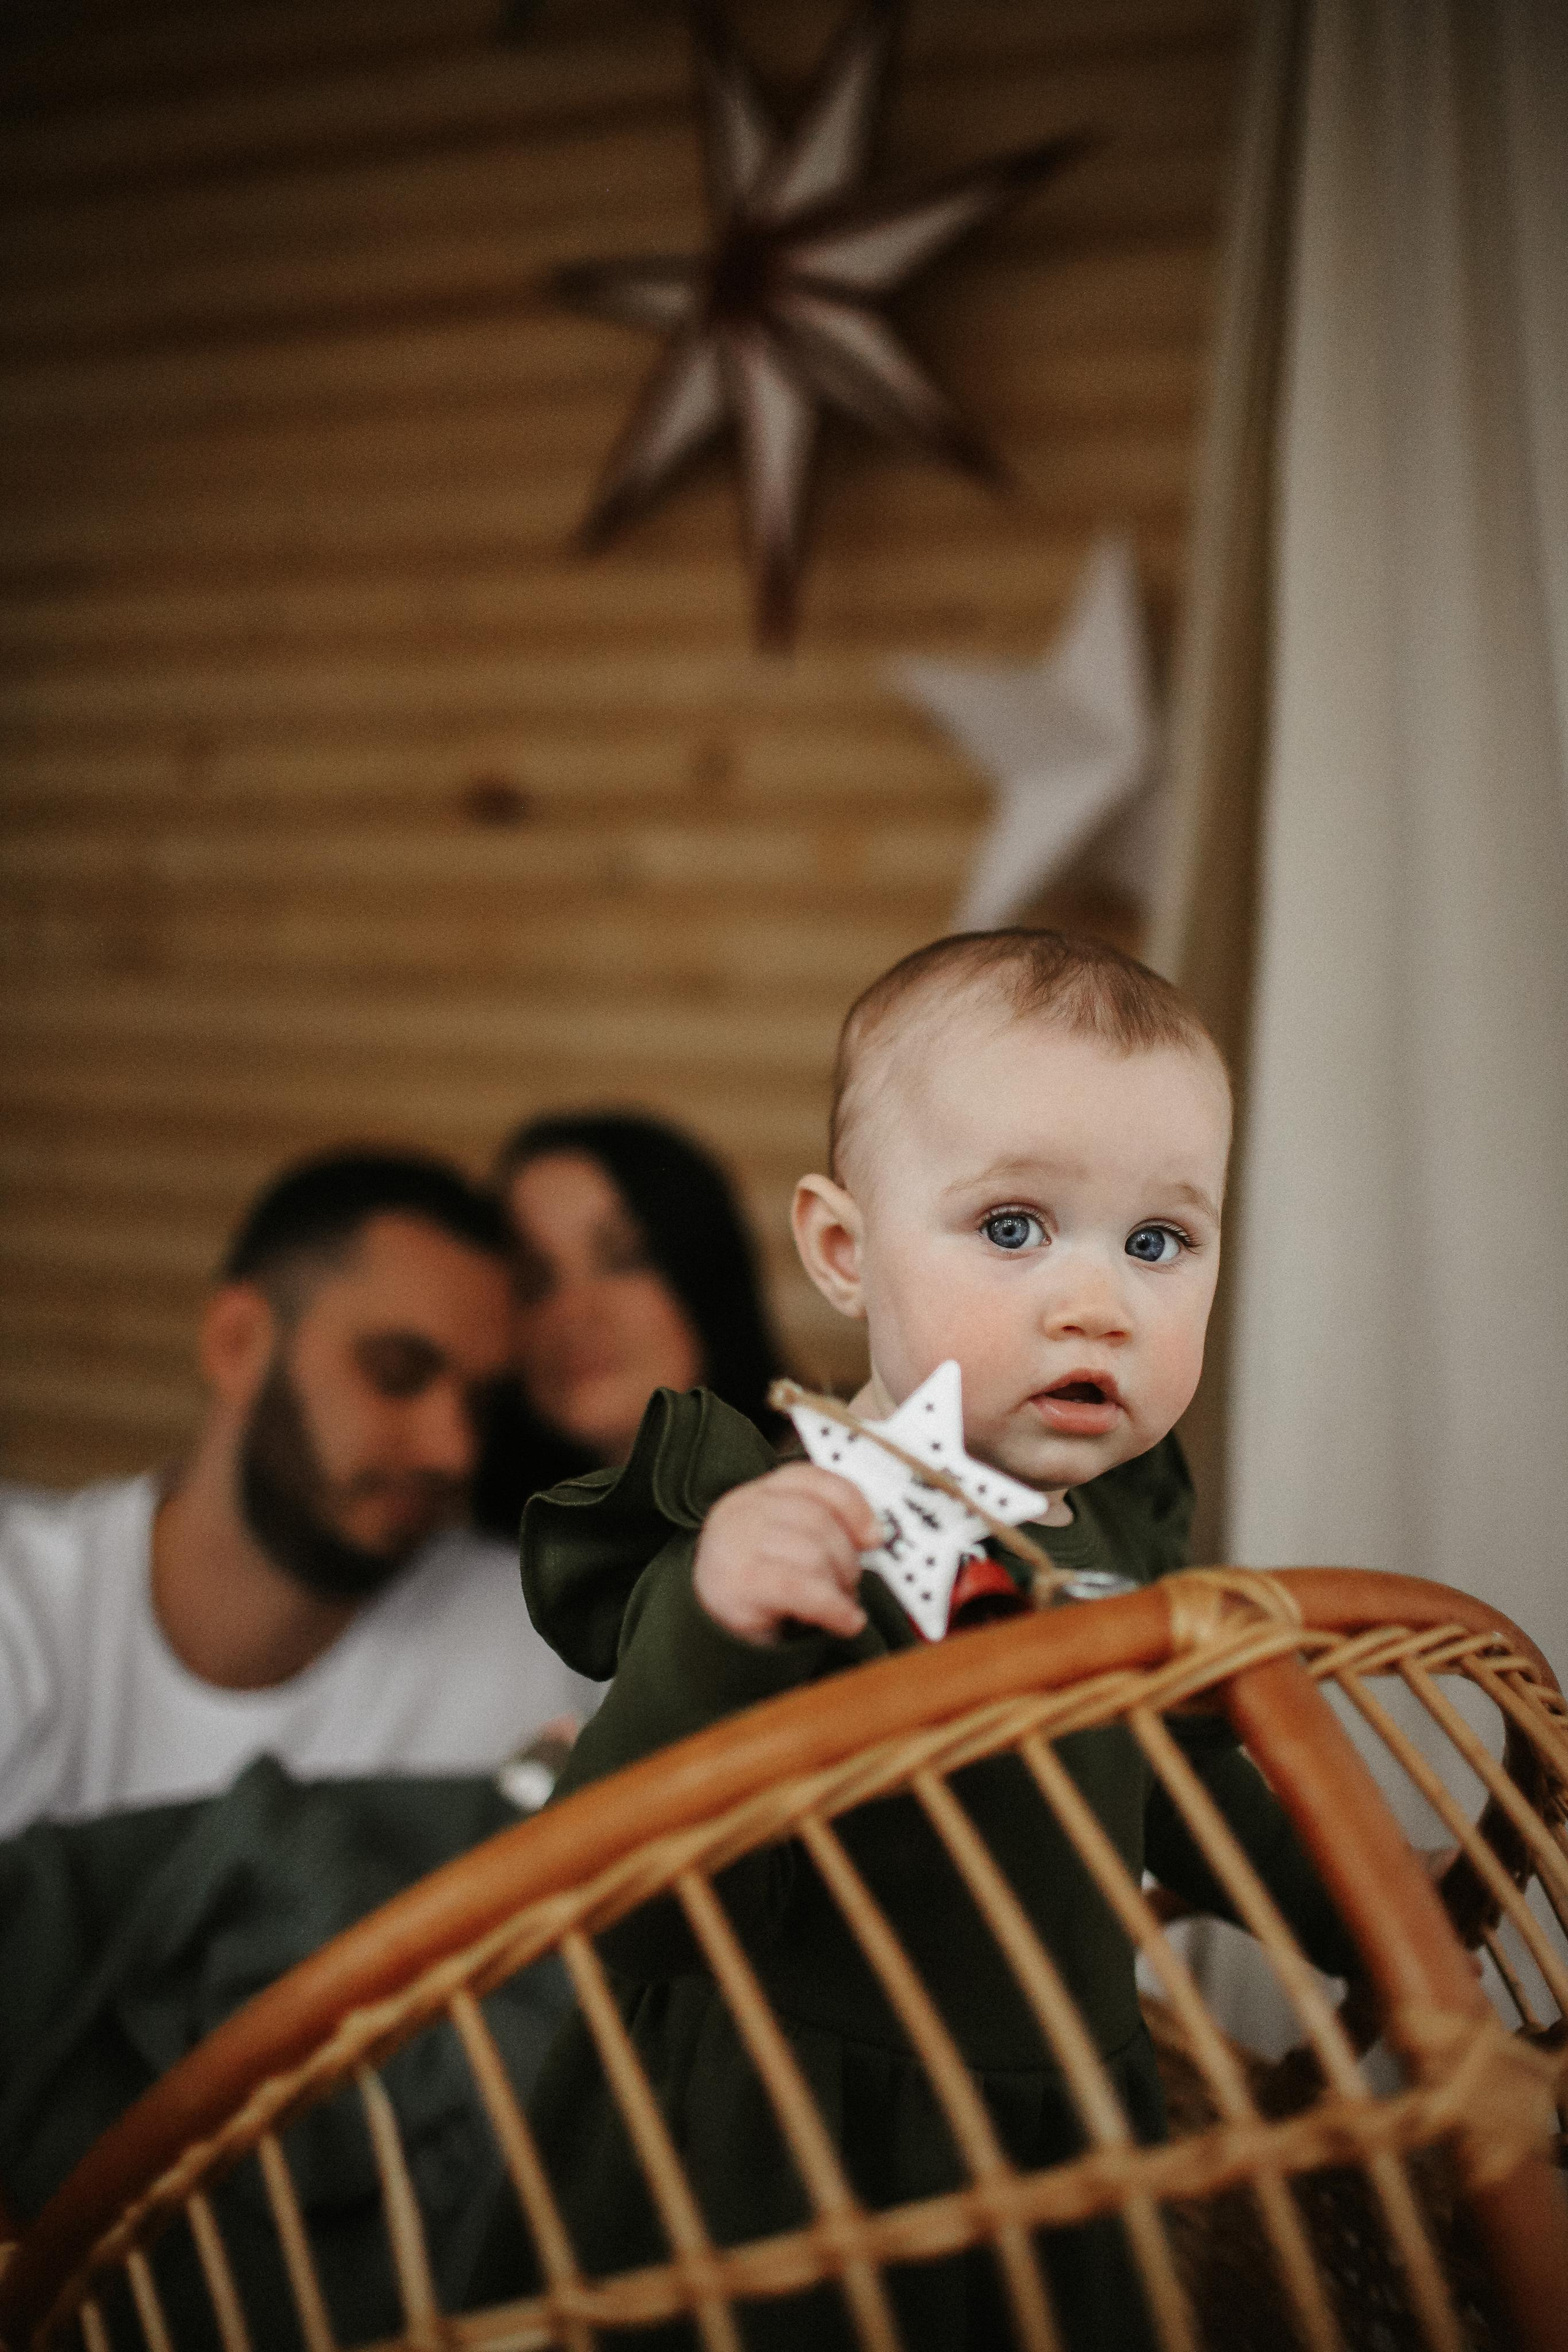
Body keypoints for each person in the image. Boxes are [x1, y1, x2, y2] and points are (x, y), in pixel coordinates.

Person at [481, 930, 1360, 2350]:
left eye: (1158, 1241)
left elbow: (1186, 1788)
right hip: (785, 2153)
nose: (1096, 1302)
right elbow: (609, 1889)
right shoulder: (769, 1526)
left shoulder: (1115, 1532)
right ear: (841, 1248)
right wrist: (712, 1620)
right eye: (1011, 1227)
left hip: (1062, 2127)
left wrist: (1361, 1901)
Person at [0, 1151, 596, 1839]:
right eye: (398, 1374)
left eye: (482, 1405)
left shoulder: (532, 1640)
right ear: (238, 1344)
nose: (453, 1450)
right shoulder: (23, 1619)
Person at [472, 1110, 788, 1539]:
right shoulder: (462, 1565)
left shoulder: (848, 1499)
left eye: (624, 1260)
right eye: (535, 1280)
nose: (575, 1314)